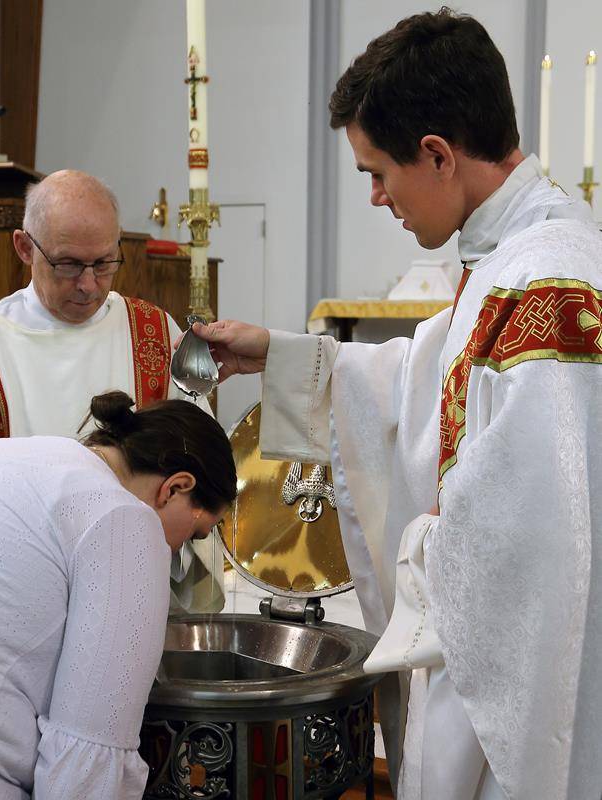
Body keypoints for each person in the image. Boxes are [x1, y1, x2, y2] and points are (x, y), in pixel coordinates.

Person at [186, 9, 602, 800]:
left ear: (438, 155)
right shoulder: (514, 259)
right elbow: (424, 373)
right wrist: (283, 356)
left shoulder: (547, 281)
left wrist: (415, 557)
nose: (377, 197)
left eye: (378, 172)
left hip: (538, 693)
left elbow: (536, 546)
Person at [0, 169, 224, 613]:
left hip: (130, 593)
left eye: (104, 263)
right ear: (24, 247)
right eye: (69, 264)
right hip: (11, 600)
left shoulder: (152, 335)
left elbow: (202, 475)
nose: (89, 284)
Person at [0, 390, 237, 799]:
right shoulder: (124, 520)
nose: (177, 551)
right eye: (194, 534)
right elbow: (88, 754)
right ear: (175, 487)